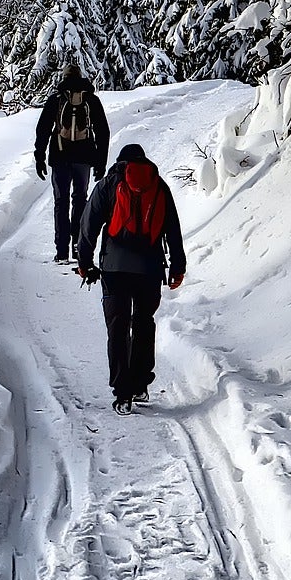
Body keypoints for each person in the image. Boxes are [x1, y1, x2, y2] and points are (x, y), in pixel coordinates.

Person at [75, 143, 186, 414]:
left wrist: (84, 262)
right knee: (144, 324)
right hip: (150, 268)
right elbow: (172, 228)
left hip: (114, 268)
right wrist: (177, 266)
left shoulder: (108, 184)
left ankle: (122, 393)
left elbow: (88, 225)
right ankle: (140, 384)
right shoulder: (158, 185)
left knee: (118, 327)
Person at [33, 64, 110, 263]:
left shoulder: (56, 99)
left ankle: (61, 251)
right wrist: (101, 161)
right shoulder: (90, 100)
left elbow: (43, 129)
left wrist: (39, 156)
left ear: (64, 77)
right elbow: (103, 131)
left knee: (61, 202)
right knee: (80, 200)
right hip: (84, 158)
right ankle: (78, 246)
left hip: (60, 156)